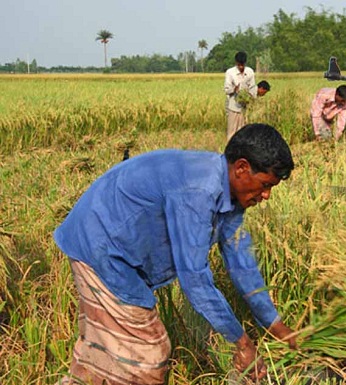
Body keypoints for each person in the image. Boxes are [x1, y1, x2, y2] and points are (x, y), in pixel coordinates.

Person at [54, 124, 298, 385]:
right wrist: (241, 342)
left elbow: (242, 264)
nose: (267, 195)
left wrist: (276, 326)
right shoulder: (198, 192)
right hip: (102, 247)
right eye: (265, 185)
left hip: (115, 248)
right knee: (148, 356)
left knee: (102, 353)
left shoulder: (231, 196)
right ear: (241, 168)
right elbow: (194, 278)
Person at [224, 51, 257, 140]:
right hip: (233, 106)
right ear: (236, 63)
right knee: (232, 132)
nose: (241, 67)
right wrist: (234, 89)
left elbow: (253, 87)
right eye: (239, 65)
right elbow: (227, 89)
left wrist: (251, 96)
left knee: (244, 132)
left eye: (242, 65)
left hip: (245, 107)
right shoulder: (230, 72)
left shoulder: (250, 72)